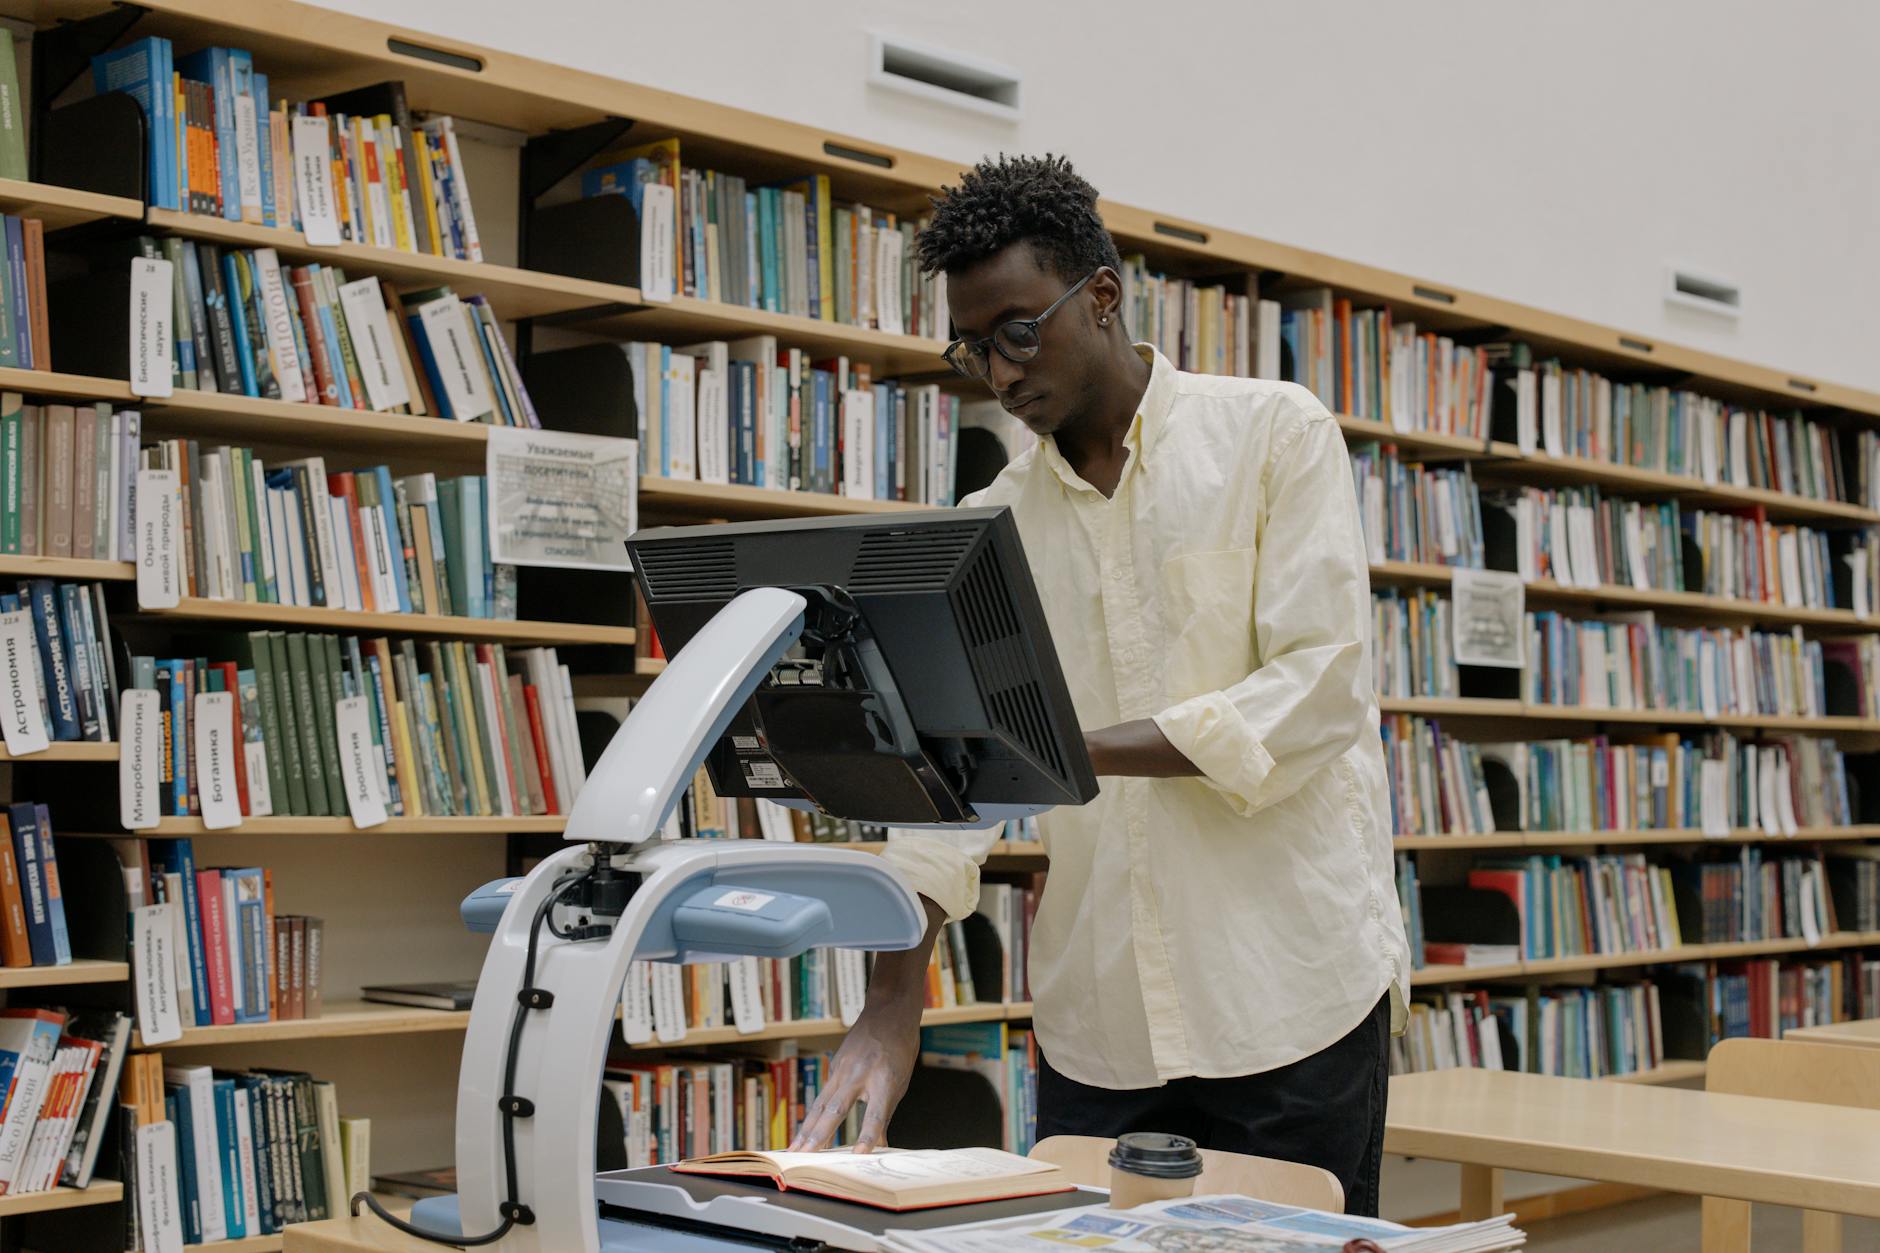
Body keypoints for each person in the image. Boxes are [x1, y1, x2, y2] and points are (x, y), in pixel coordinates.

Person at [788, 153, 1409, 1217]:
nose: (1000, 371)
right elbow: (945, 782)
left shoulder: (1270, 434)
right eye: (972, 347)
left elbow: (1316, 687)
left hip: (1287, 995)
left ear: (1103, 295)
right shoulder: (989, 527)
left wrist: (1064, 747)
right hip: (1100, 1019)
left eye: (1019, 330)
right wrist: (893, 1002)